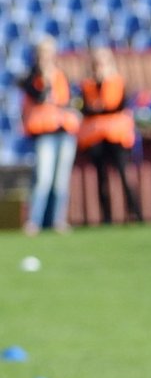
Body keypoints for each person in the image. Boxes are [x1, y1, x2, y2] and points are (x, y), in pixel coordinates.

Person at [17, 38, 79, 236]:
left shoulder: (61, 75)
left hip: (64, 132)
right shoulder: (30, 77)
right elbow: (40, 96)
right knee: (42, 179)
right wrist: (45, 77)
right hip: (44, 134)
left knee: (60, 180)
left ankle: (57, 220)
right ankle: (34, 221)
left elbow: (68, 101)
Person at [77, 46, 142, 225]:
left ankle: (135, 213)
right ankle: (107, 217)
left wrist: (99, 104)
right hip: (96, 137)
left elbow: (117, 105)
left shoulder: (117, 81)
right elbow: (85, 108)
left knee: (123, 174)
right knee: (101, 178)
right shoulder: (87, 84)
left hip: (116, 136)